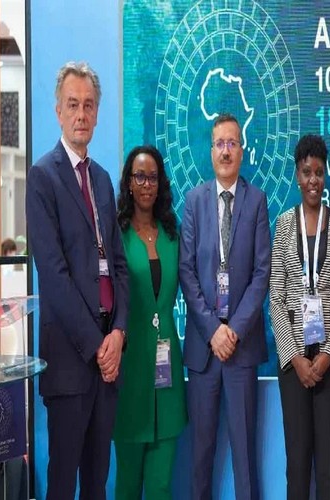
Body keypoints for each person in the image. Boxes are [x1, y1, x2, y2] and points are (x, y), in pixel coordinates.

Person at [26, 61, 129, 499]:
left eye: (88, 105)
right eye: (73, 105)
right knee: (63, 483)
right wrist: (97, 346)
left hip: (108, 358)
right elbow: (53, 275)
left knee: (97, 484)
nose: (81, 114)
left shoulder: (103, 180)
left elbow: (118, 266)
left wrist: (118, 333)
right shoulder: (42, 178)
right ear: (58, 112)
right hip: (71, 361)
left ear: (97, 113)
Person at [179, 113, 271, 500]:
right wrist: (213, 330)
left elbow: (262, 273)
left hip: (241, 347)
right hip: (204, 349)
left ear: (242, 150)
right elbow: (186, 272)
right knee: (201, 454)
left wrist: (232, 330)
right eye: (220, 143)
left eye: (233, 143)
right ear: (211, 150)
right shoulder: (194, 201)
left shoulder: (257, 201)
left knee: (244, 456)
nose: (226, 151)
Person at [269, 134, 330, 499]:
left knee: (327, 465)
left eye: (319, 172)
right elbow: (276, 297)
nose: (313, 180)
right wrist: (295, 358)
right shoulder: (284, 225)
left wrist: (329, 354)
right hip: (294, 363)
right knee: (297, 464)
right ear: (297, 176)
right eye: (307, 172)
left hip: (329, 361)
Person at [113, 145, 187, 499]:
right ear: (129, 182)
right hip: (129, 373)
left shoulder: (173, 234)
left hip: (167, 374)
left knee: (160, 486)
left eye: (153, 177)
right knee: (127, 486)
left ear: (161, 184)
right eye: (139, 176)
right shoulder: (116, 234)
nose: (146, 184)